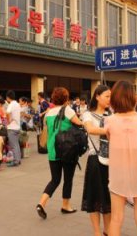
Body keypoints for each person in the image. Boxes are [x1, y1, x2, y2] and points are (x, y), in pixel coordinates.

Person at [105, 81, 137, 236]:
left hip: (118, 173)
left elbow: (111, 140)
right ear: (132, 97)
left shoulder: (109, 120)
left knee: (116, 219)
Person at [36, 87, 83, 220]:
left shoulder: (48, 113)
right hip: (68, 150)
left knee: (55, 179)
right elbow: (79, 124)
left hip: (53, 150)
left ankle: (41, 203)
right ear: (66, 98)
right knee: (68, 179)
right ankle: (65, 205)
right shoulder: (68, 110)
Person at [81, 85, 112, 236]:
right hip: (95, 160)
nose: (109, 99)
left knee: (108, 199)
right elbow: (90, 129)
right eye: (106, 96)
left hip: (111, 162)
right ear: (97, 96)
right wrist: (109, 130)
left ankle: (108, 230)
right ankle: (97, 233)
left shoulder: (111, 114)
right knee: (94, 199)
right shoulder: (88, 114)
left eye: (110, 96)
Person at [6, 90, 22, 167]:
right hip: (17, 127)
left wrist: (8, 121)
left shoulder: (11, 104)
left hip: (12, 127)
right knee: (17, 144)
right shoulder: (17, 104)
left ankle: (16, 161)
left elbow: (7, 112)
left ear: (8, 97)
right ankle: (18, 160)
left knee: (13, 145)